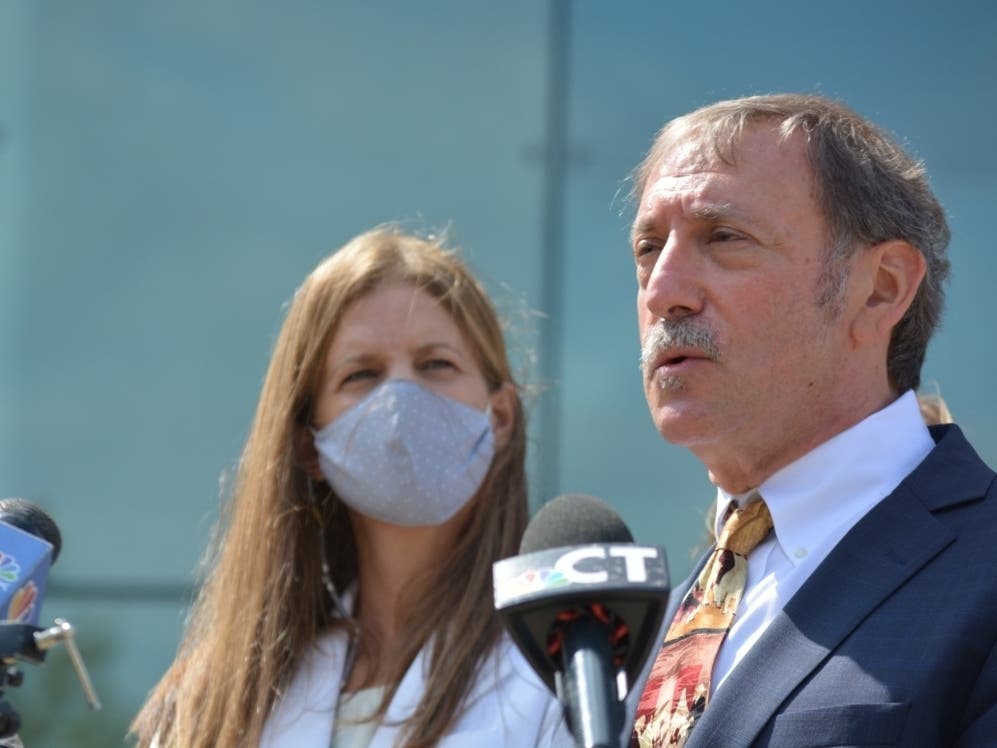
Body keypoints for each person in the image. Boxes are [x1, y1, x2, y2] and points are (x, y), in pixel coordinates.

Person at [625, 94, 997, 747]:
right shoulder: (649, 629)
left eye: (723, 237)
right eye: (647, 247)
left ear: (879, 287)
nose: (662, 290)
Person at [130, 227, 572, 747]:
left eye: (436, 365)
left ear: (500, 417)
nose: (402, 399)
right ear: (309, 447)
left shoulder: (565, 665)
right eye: (362, 375)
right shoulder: (221, 692)